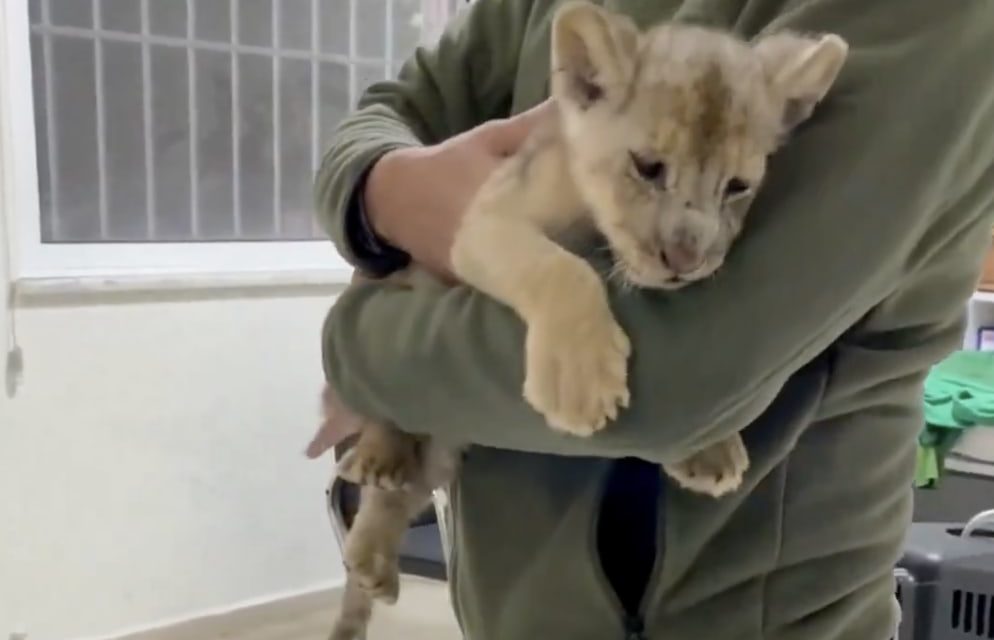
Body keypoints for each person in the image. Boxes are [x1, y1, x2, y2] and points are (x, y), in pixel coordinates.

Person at [314, 1, 994, 638]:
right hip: (512, 604)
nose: (689, 250)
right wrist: (385, 190)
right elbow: (392, 114)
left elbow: (674, 382)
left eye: (735, 189)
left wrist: (362, 348)